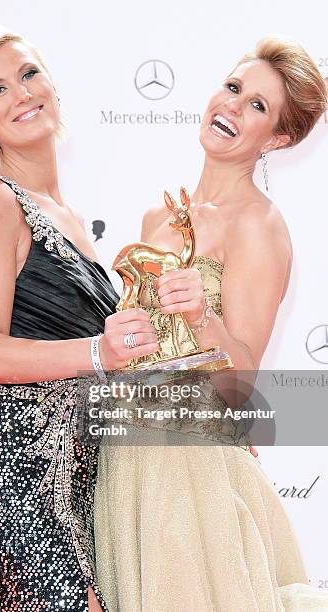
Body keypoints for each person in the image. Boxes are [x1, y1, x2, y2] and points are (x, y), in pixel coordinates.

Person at [94, 38, 328, 611]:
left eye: (257, 107)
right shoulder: (158, 215)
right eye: (233, 88)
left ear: (277, 138)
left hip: (191, 465)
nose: (233, 107)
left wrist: (203, 315)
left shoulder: (260, 226)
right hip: (125, 456)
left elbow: (244, 375)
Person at [0, 23, 160, 611]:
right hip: (19, 469)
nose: (21, 93)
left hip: (80, 470)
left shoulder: (69, 214)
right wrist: (99, 353)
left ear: (52, 84)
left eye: (29, 73)